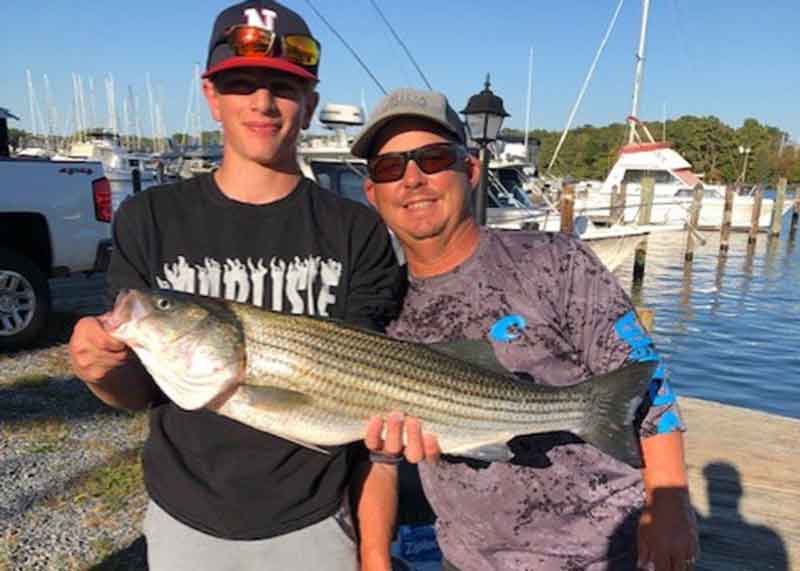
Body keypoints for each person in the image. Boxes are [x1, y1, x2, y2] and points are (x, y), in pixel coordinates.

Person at [68, 2, 404, 569]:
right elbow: (134, 393)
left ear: (311, 104)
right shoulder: (150, 218)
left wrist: (374, 552)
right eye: (242, 84)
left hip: (317, 519)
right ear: (211, 97)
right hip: (184, 517)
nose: (263, 103)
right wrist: (99, 371)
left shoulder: (355, 228)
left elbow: (372, 389)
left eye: (283, 87)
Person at [351, 88, 699, 571]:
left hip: (603, 552)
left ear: (470, 170)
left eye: (432, 158)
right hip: (470, 560)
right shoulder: (382, 305)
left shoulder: (553, 259)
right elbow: (379, 461)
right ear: (373, 193)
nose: (412, 179)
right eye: (390, 168)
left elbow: (645, 380)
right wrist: (373, 558)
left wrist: (669, 502)